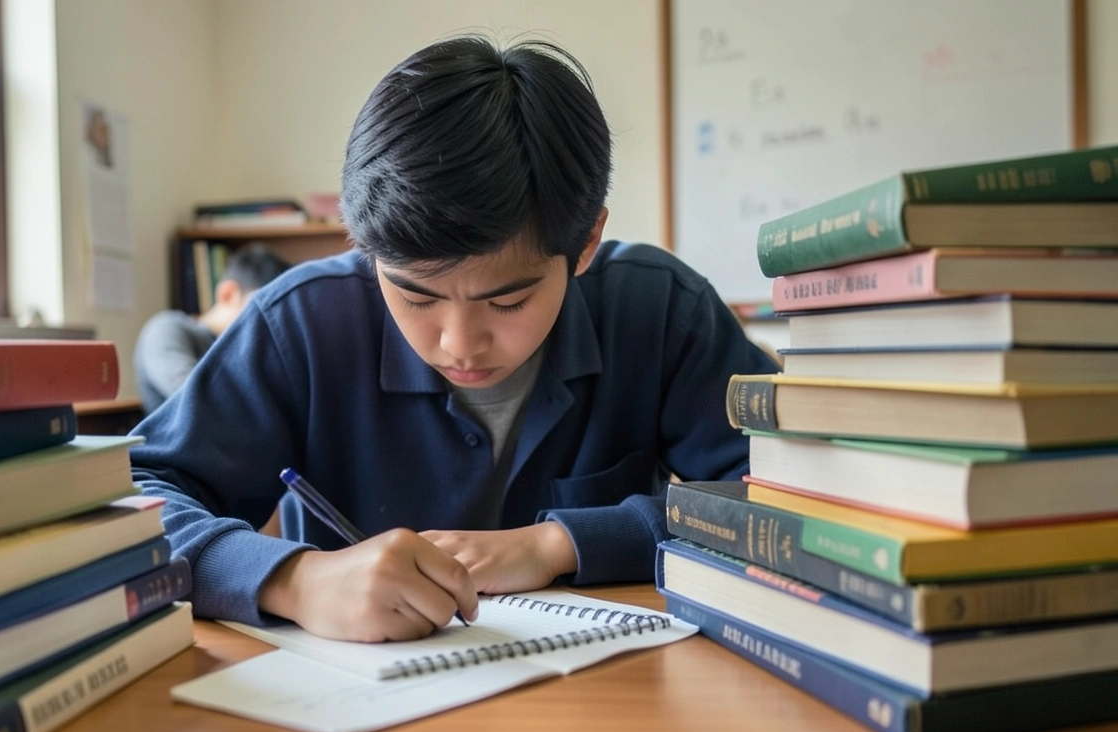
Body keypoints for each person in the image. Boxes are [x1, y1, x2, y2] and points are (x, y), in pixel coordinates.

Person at [129, 35, 778, 642]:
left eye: (510, 300)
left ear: (584, 244)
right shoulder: (300, 323)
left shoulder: (657, 308)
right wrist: (293, 579)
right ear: (365, 246)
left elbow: (792, 496)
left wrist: (560, 544)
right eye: (415, 295)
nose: (459, 344)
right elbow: (135, 501)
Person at [132, 243, 289, 414]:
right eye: (260, 309)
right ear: (228, 294)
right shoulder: (167, 328)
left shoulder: (245, 350)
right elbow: (195, 395)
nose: (267, 321)